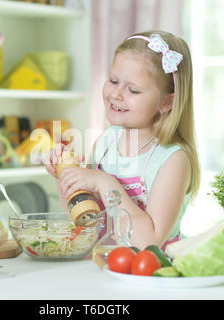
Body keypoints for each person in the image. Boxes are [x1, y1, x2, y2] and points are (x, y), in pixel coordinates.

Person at [45, 30, 200, 251]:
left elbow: (148, 243)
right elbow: (89, 223)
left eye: (133, 90)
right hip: (107, 266)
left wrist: (104, 182)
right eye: (113, 80)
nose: (116, 94)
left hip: (154, 275)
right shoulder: (106, 143)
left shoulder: (173, 159)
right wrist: (66, 177)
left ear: (166, 103)